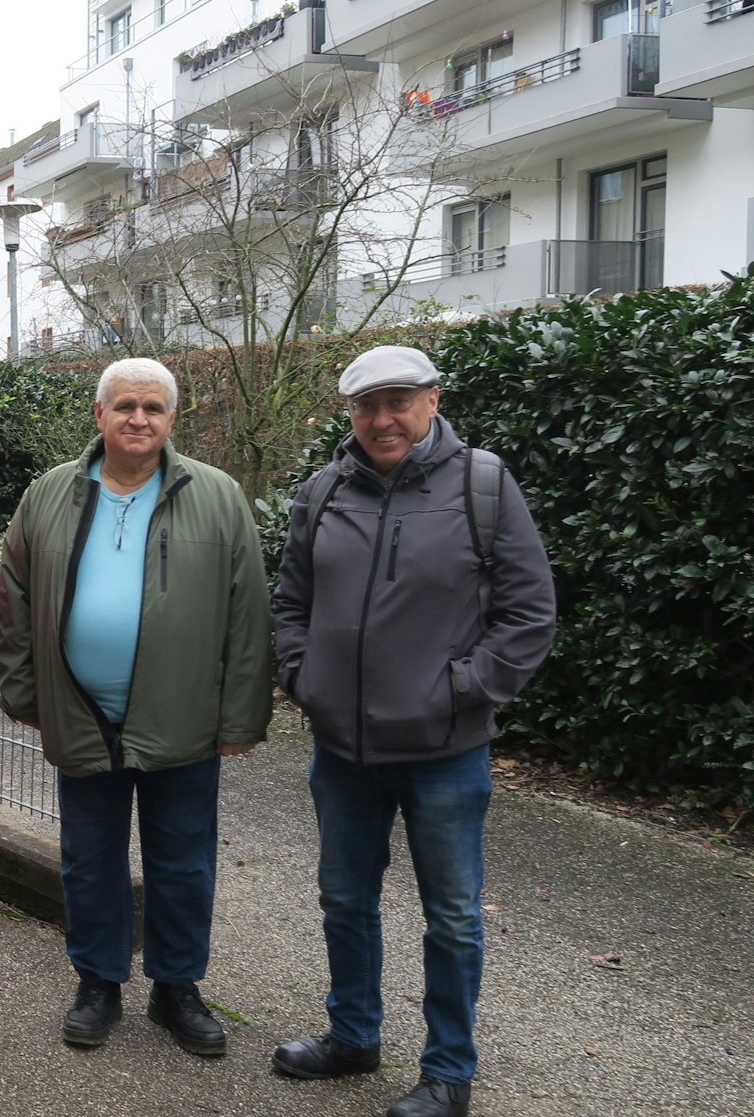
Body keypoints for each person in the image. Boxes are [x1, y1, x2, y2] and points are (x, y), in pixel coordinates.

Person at [270, 346, 556, 1117]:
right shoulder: (324, 490)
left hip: (444, 753)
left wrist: (463, 689)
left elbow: (529, 615)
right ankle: (353, 1035)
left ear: (433, 400)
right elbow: (289, 601)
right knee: (344, 899)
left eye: (398, 401)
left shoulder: (482, 484)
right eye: (366, 406)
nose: (382, 419)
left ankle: (448, 1072)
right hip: (344, 749)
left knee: (454, 917)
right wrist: (304, 676)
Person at [0, 357, 271, 1059]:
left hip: (183, 717)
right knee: (89, 859)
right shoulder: (48, 493)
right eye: (124, 406)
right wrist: (25, 692)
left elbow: (248, 614)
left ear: (172, 419)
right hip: (84, 715)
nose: (138, 419)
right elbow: (16, 601)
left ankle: (177, 986)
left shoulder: (217, 495)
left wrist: (241, 717)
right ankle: (98, 981)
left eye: (153, 407)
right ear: (99, 415)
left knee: (182, 861)